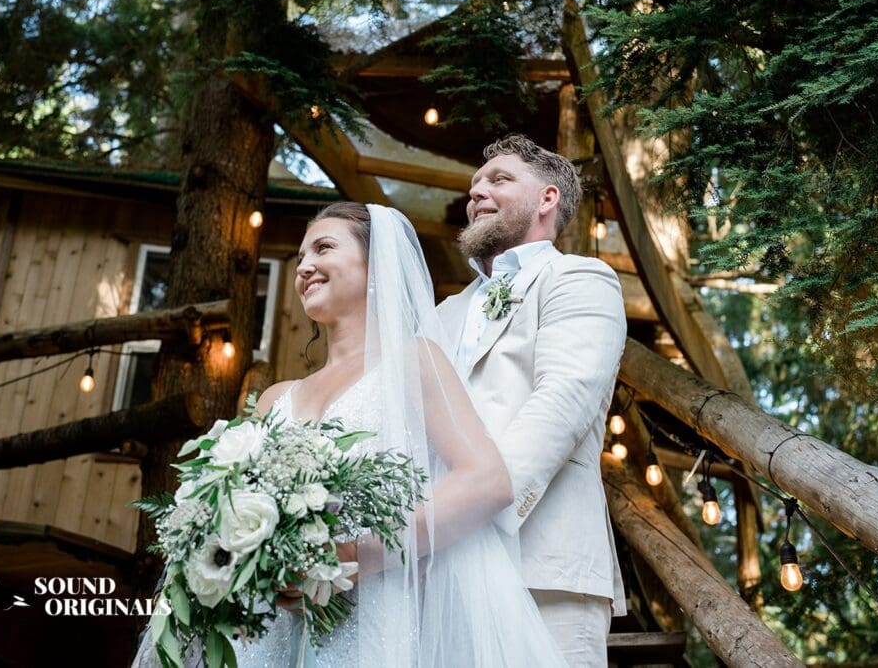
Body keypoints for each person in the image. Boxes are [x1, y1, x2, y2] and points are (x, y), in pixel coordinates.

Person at [133, 202, 566, 667]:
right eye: (299, 258)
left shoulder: (414, 363)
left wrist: (354, 554)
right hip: (266, 629)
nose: (305, 267)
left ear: (375, 262)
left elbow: (486, 482)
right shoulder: (272, 399)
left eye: (323, 248)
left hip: (369, 619)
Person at [437, 134, 628, 666]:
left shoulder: (581, 278)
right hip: (440, 574)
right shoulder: (444, 311)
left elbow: (562, 402)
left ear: (547, 199)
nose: (477, 193)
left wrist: (466, 516)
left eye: (498, 180)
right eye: (474, 185)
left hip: (545, 567)